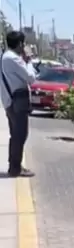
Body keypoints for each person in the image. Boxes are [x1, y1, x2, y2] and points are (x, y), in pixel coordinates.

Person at [0, 31, 36, 177]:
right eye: (24, 43)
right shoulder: (14, 59)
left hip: (9, 101)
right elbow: (31, 78)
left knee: (16, 134)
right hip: (17, 102)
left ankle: (14, 165)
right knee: (20, 135)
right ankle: (15, 168)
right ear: (20, 44)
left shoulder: (4, 56)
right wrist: (29, 60)